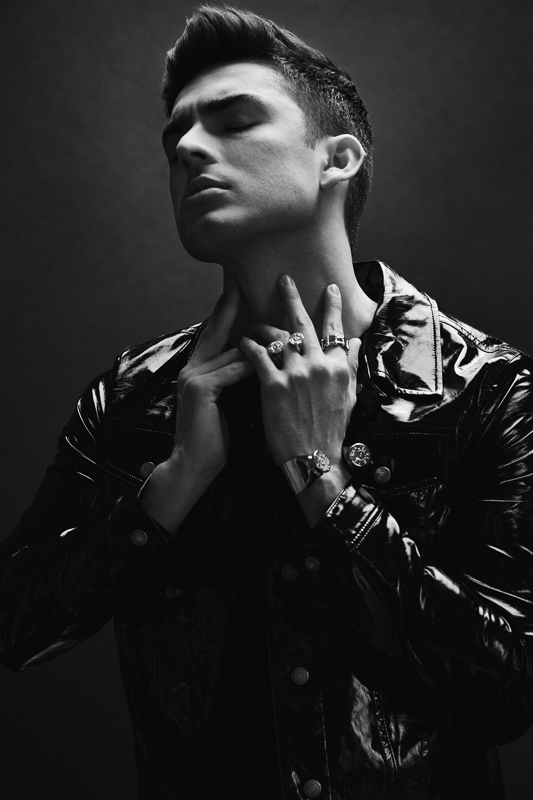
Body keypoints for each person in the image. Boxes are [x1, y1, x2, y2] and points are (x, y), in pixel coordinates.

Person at [1, 4, 533, 798]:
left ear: (336, 158)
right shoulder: (132, 396)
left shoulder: (483, 388)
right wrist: (172, 485)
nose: (187, 148)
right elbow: (16, 625)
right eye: (175, 138)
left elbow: (508, 690)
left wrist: (324, 482)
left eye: (234, 121)